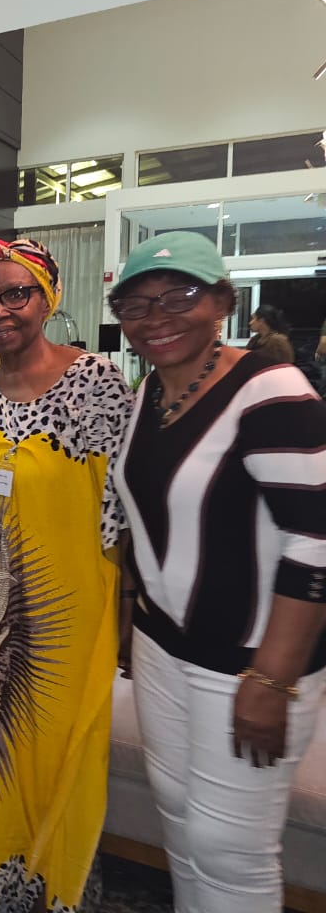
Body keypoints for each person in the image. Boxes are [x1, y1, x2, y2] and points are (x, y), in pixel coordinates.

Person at [109, 231, 326, 913]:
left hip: (247, 664)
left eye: (180, 295)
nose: (157, 316)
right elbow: (143, 521)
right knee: (179, 820)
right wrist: (130, 622)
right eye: (136, 303)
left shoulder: (272, 391)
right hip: (163, 649)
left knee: (229, 847)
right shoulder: (147, 394)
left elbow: (316, 540)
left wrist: (273, 678)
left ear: (223, 302)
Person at [0, 238, 133, 912]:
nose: (0, 311)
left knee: (45, 759)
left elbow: (123, 513)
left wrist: (127, 622)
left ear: (49, 296)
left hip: (57, 628)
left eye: (17, 293)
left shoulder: (95, 382)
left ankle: (42, 893)